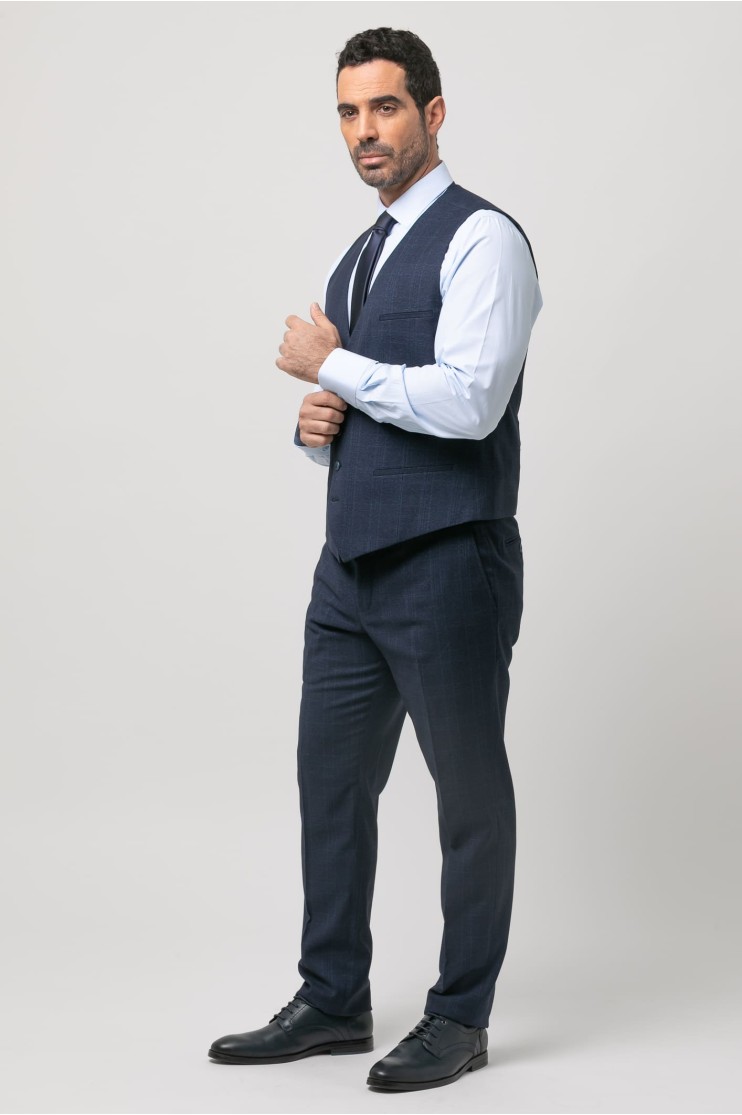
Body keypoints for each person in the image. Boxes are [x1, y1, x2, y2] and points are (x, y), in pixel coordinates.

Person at [209, 26, 543, 1093]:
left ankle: (460, 1015)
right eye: (350, 112)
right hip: (348, 568)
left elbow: (471, 399)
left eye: (385, 107)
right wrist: (317, 420)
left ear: (432, 114)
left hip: (448, 559)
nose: (365, 131)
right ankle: (332, 997)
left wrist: (335, 365)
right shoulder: (357, 255)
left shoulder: (484, 239)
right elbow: (363, 407)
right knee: (330, 782)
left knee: (468, 795)